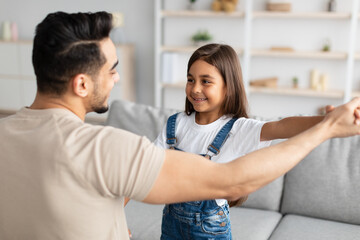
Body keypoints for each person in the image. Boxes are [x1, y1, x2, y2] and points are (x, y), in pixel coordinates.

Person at [0, 11, 359, 240]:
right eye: (111, 69)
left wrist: (324, 119)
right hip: (174, 222)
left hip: (210, 226)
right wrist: (328, 129)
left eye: (207, 81)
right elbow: (234, 179)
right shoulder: (113, 144)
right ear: (81, 84)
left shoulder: (7, 135)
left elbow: (282, 126)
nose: (117, 77)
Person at [153, 43, 333, 239]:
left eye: (206, 81)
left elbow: (282, 127)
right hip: (171, 226)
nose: (195, 88)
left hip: (209, 231)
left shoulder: (239, 129)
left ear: (228, 88)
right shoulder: (175, 124)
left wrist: (329, 120)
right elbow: (141, 168)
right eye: (190, 79)